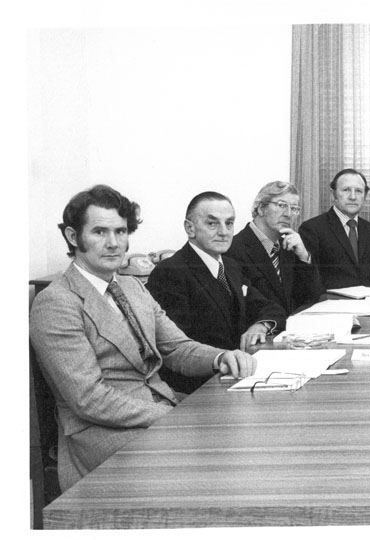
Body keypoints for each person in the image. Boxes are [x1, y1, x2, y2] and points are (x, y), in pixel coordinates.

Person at [29, 185, 257, 490]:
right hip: (103, 432)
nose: (114, 244)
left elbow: (178, 348)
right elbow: (88, 399)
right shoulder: (56, 301)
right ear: (73, 237)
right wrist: (171, 415)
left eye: (121, 232)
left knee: (245, 430)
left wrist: (220, 357)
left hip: (159, 411)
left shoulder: (132, 287)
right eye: (100, 232)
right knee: (218, 465)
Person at [146, 191, 285, 394]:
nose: (224, 232)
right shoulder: (171, 272)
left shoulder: (230, 266)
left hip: (237, 376)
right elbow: (177, 351)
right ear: (189, 228)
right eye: (212, 224)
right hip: (200, 388)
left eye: (229, 223)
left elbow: (270, 307)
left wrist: (261, 325)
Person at [227, 181, 324, 313]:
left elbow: (312, 297)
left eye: (294, 208)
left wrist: (304, 257)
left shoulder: (289, 247)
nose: (288, 214)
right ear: (261, 208)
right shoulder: (233, 249)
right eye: (281, 205)